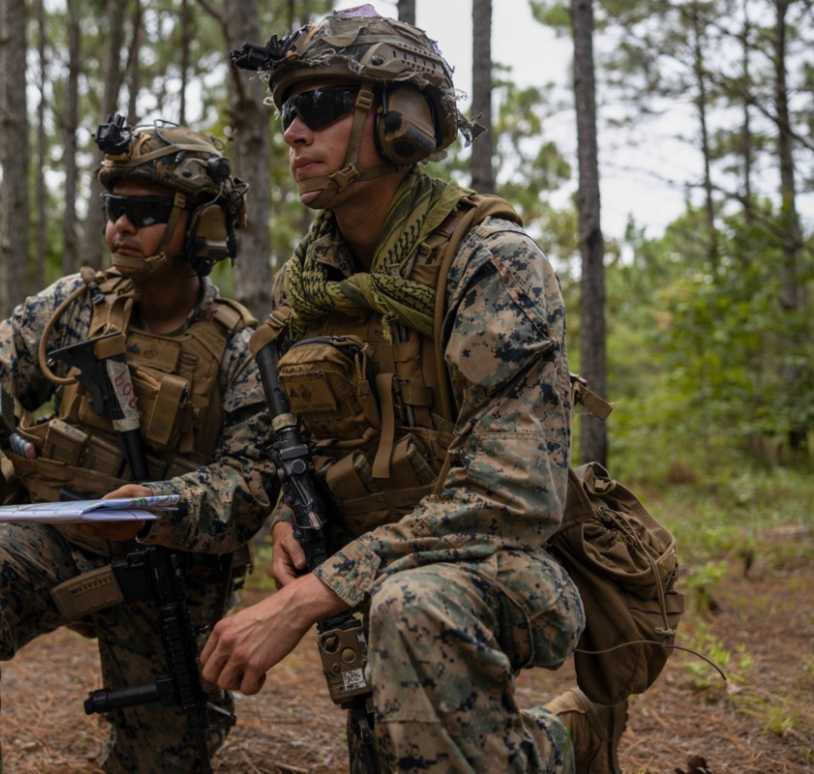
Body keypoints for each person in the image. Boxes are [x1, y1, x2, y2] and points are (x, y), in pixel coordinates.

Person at [202, 7, 625, 773]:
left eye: (321, 106)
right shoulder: (315, 279)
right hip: (377, 569)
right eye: (287, 109)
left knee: (411, 608)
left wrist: (311, 596)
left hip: (502, 566)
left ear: (401, 121)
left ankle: (573, 738)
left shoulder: (491, 263)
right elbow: (304, 433)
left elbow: (510, 497)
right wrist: (295, 524)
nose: (295, 132)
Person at [0, 118, 277, 774]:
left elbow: (254, 481)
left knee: (164, 756)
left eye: (147, 210)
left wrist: (163, 504)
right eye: (114, 208)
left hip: (168, 579)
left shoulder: (240, 347)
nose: (122, 226)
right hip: (57, 551)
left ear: (204, 227)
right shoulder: (72, 305)